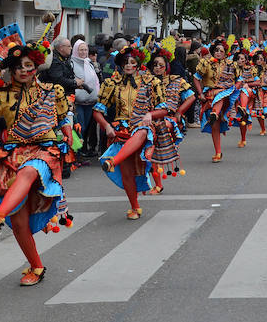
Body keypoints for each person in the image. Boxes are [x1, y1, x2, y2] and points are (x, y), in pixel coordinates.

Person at [0, 41, 73, 287]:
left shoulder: (52, 91)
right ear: (11, 70)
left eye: (29, 65)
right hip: (12, 156)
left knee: (29, 170)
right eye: (19, 66)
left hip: (44, 151)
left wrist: (67, 133)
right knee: (19, 222)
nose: (24, 70)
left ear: (36, 66)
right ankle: (36, 266)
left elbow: (63, 116)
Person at [95, 45, 166, 220]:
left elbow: (164, 109)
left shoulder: (151, 82)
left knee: (142, 130)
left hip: (144, 126)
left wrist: (150, 114)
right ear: (120, 65)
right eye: (125, 62)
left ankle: (113, 161)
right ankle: (135, 207)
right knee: (127, 173)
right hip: (122, 129)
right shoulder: (112, 84)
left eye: (132, 62)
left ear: (138, 64)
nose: (128, 65)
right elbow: (97, 111)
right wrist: (107, 126)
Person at [147, 46, 195, 194]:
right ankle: (156, 184)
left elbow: (191, 97)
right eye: (155, 65)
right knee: (148, 152)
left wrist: (180, 112)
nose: (157, 68)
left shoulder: (176, 81)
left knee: (151, 144)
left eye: (161, 65)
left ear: (167, 66)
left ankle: (156, 183)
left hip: (169, 120)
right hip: (149, 119)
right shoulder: (146, 81)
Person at [193, 39, 238, 162]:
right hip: (209, 96)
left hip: (225, 95)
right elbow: (196, 78)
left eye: (221, 51)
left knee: (220, 96)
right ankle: (218, 152)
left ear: (225, 53)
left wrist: (235, 90)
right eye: (216, 50)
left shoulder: (231, 64)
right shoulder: (206, 63)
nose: (218, 52)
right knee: (214, 126)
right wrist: (200, 93)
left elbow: (239, 79)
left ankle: (216, 113)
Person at [70, 40, 99, 157]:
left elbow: (95, 81)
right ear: (76, 50)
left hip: (90, 102)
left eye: (85, 50)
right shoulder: (71, 63)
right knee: (80, 126)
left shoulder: (89, 62)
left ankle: (82, 150)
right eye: (81, 50)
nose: (83, 52)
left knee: (86, 127)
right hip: (78, 102)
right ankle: (77, 151)